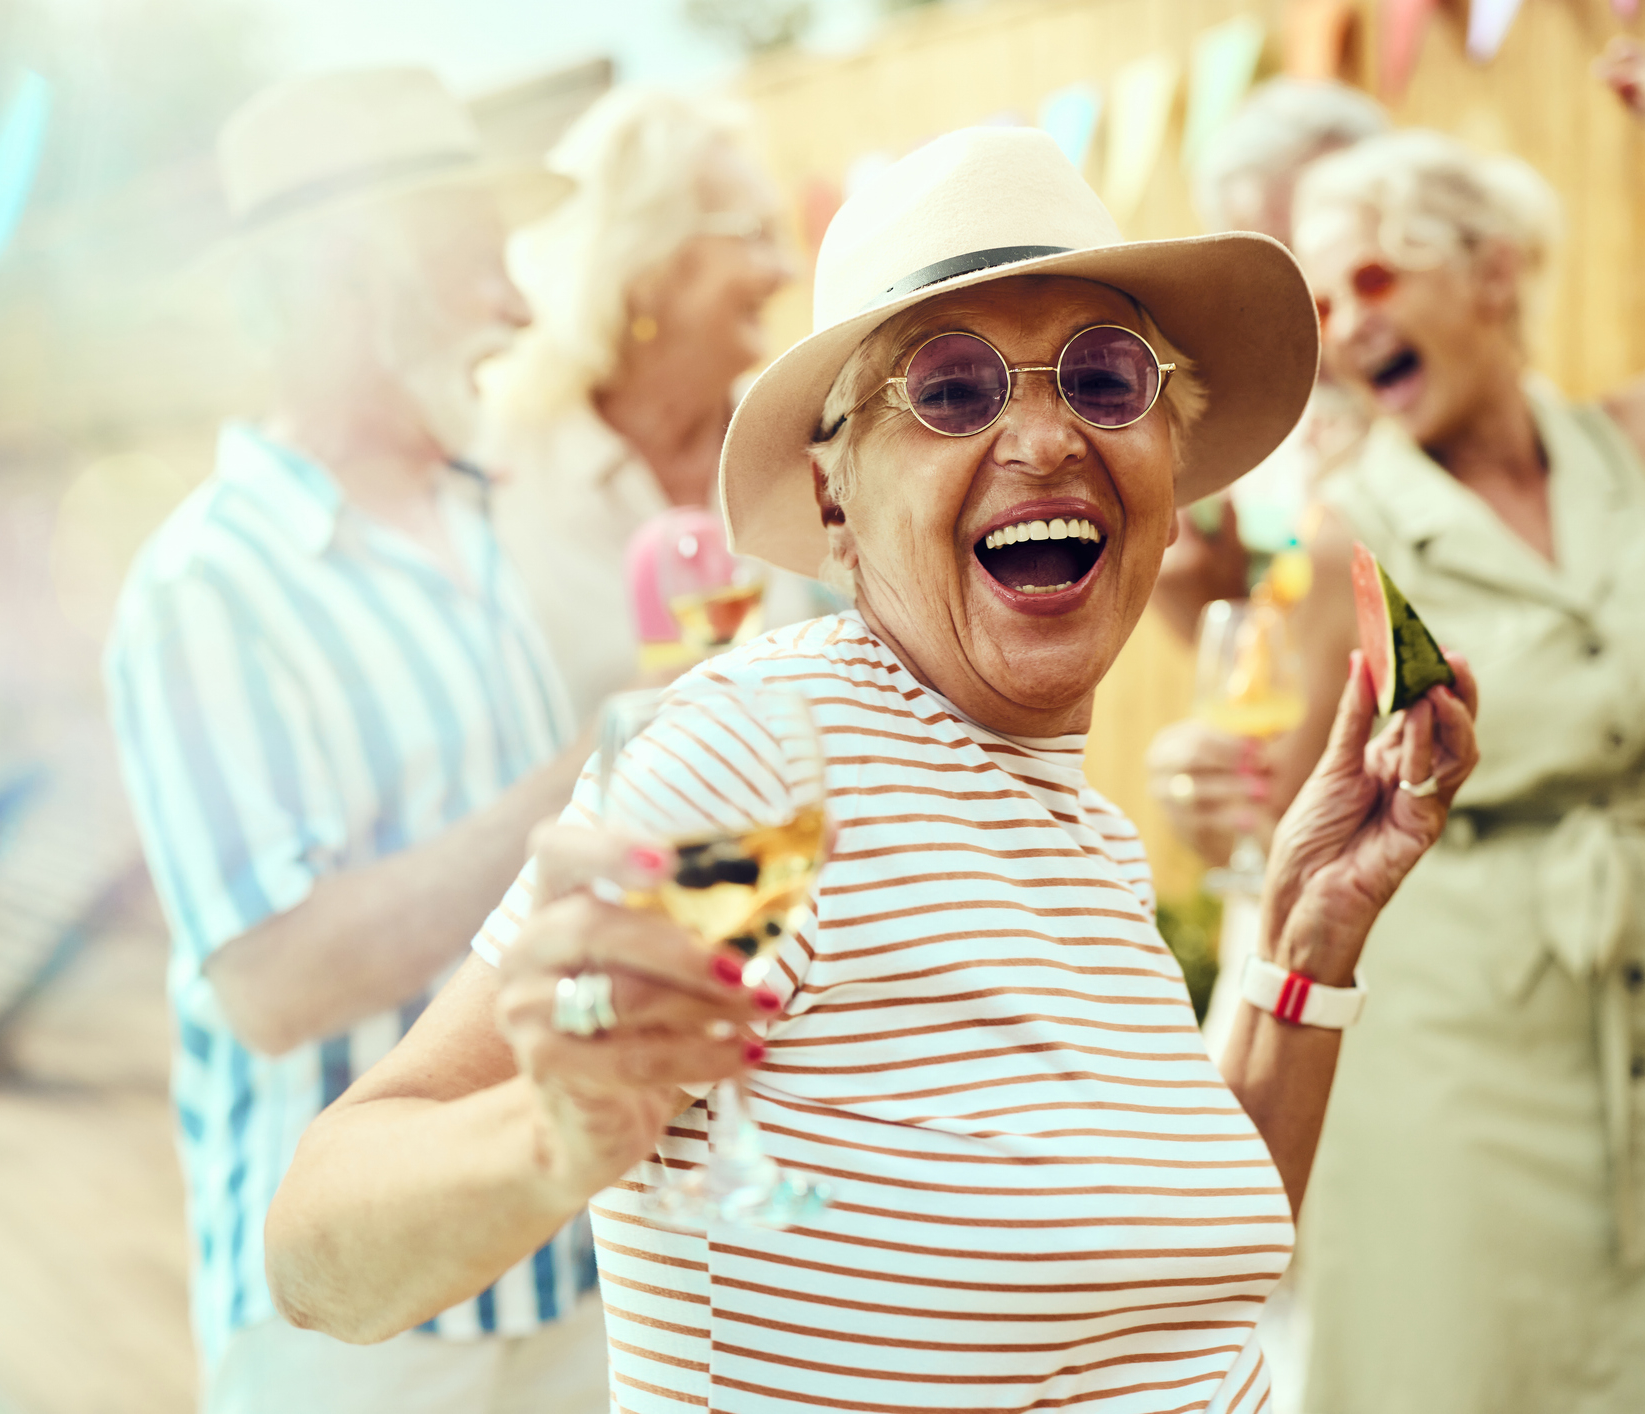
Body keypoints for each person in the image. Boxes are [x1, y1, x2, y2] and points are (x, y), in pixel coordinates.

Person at [260, 127, 1480, 1413]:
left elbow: (1164, 1285)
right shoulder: (776, 769)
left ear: (1168, 473)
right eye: (951, 390)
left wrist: (1307, 935)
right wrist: (555, 1129)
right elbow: (317, 1246)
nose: (1045, 438)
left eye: (1103, 378)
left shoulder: (1082, 833)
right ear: (834, 504)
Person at [1155, 78, 1645, 1414]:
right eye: (1320, 307)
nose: (1348, 323)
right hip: (1466, 1061)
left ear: (1493, 271)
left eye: (1376, 273)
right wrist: (1209, 793)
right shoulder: (1333, 545)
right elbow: (1268, 794)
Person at [103, 69, 609, 1413]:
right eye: (472, 256)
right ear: (352, 270)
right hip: (354, 1326)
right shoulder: (206, 584)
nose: (517, 302)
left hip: (559, 1260)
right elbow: (272, 979)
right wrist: (568, 799)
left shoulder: (477, 512)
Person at [478, 88, 825, 722]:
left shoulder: (806, 447)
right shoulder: (499, 470)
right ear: (648, 261)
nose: (787, 270)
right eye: (754, 235)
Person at [1149, 78, 1388, 644]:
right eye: (1271, 263)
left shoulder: (1457, 402)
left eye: (1324, 245)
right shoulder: (1231, 445)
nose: (1307, 295)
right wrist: (1211, 612)